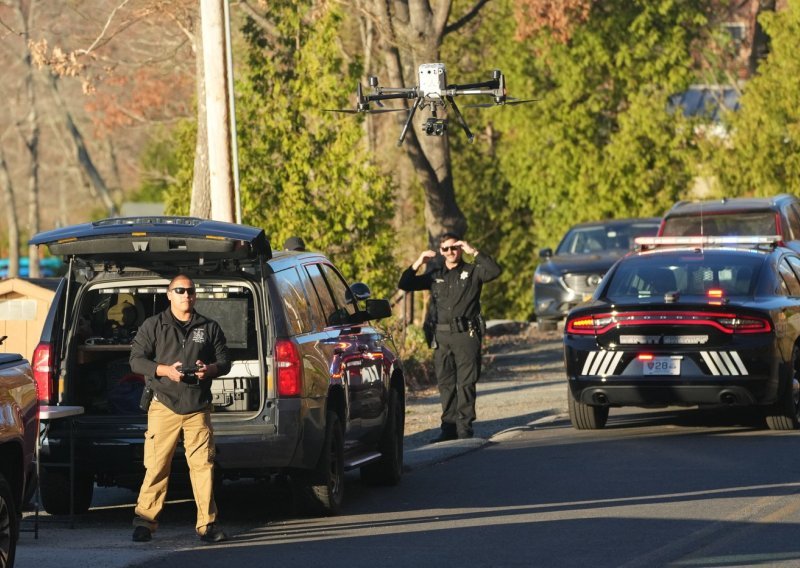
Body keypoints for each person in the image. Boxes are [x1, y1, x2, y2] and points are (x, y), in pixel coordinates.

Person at [129, 274, 231, 544]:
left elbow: (224, 361)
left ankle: (207, 525)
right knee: (156, 466)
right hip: (163, 404)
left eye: (191, 291)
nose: (187, 295)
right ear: (169, 294)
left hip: (197, 406)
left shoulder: (209, 327)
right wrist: (164, 371)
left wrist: (209, 370)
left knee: (203, 467)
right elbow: (136, 361)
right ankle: (144, 522)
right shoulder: (154, 325)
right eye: (180, 290)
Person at [398, 232, 501, 443]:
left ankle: (464, 429)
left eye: (455, 247)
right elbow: (405, 284)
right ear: (441, 251)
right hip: (442, 336)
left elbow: (494, 271)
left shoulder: (473, 271)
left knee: (466, 383)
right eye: (446, 249)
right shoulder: (436, 274)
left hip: (466, 334)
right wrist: (419, 261)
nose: (451, 252)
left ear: (460, 248)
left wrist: (474, 251)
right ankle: (448, 428)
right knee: (445, 384)